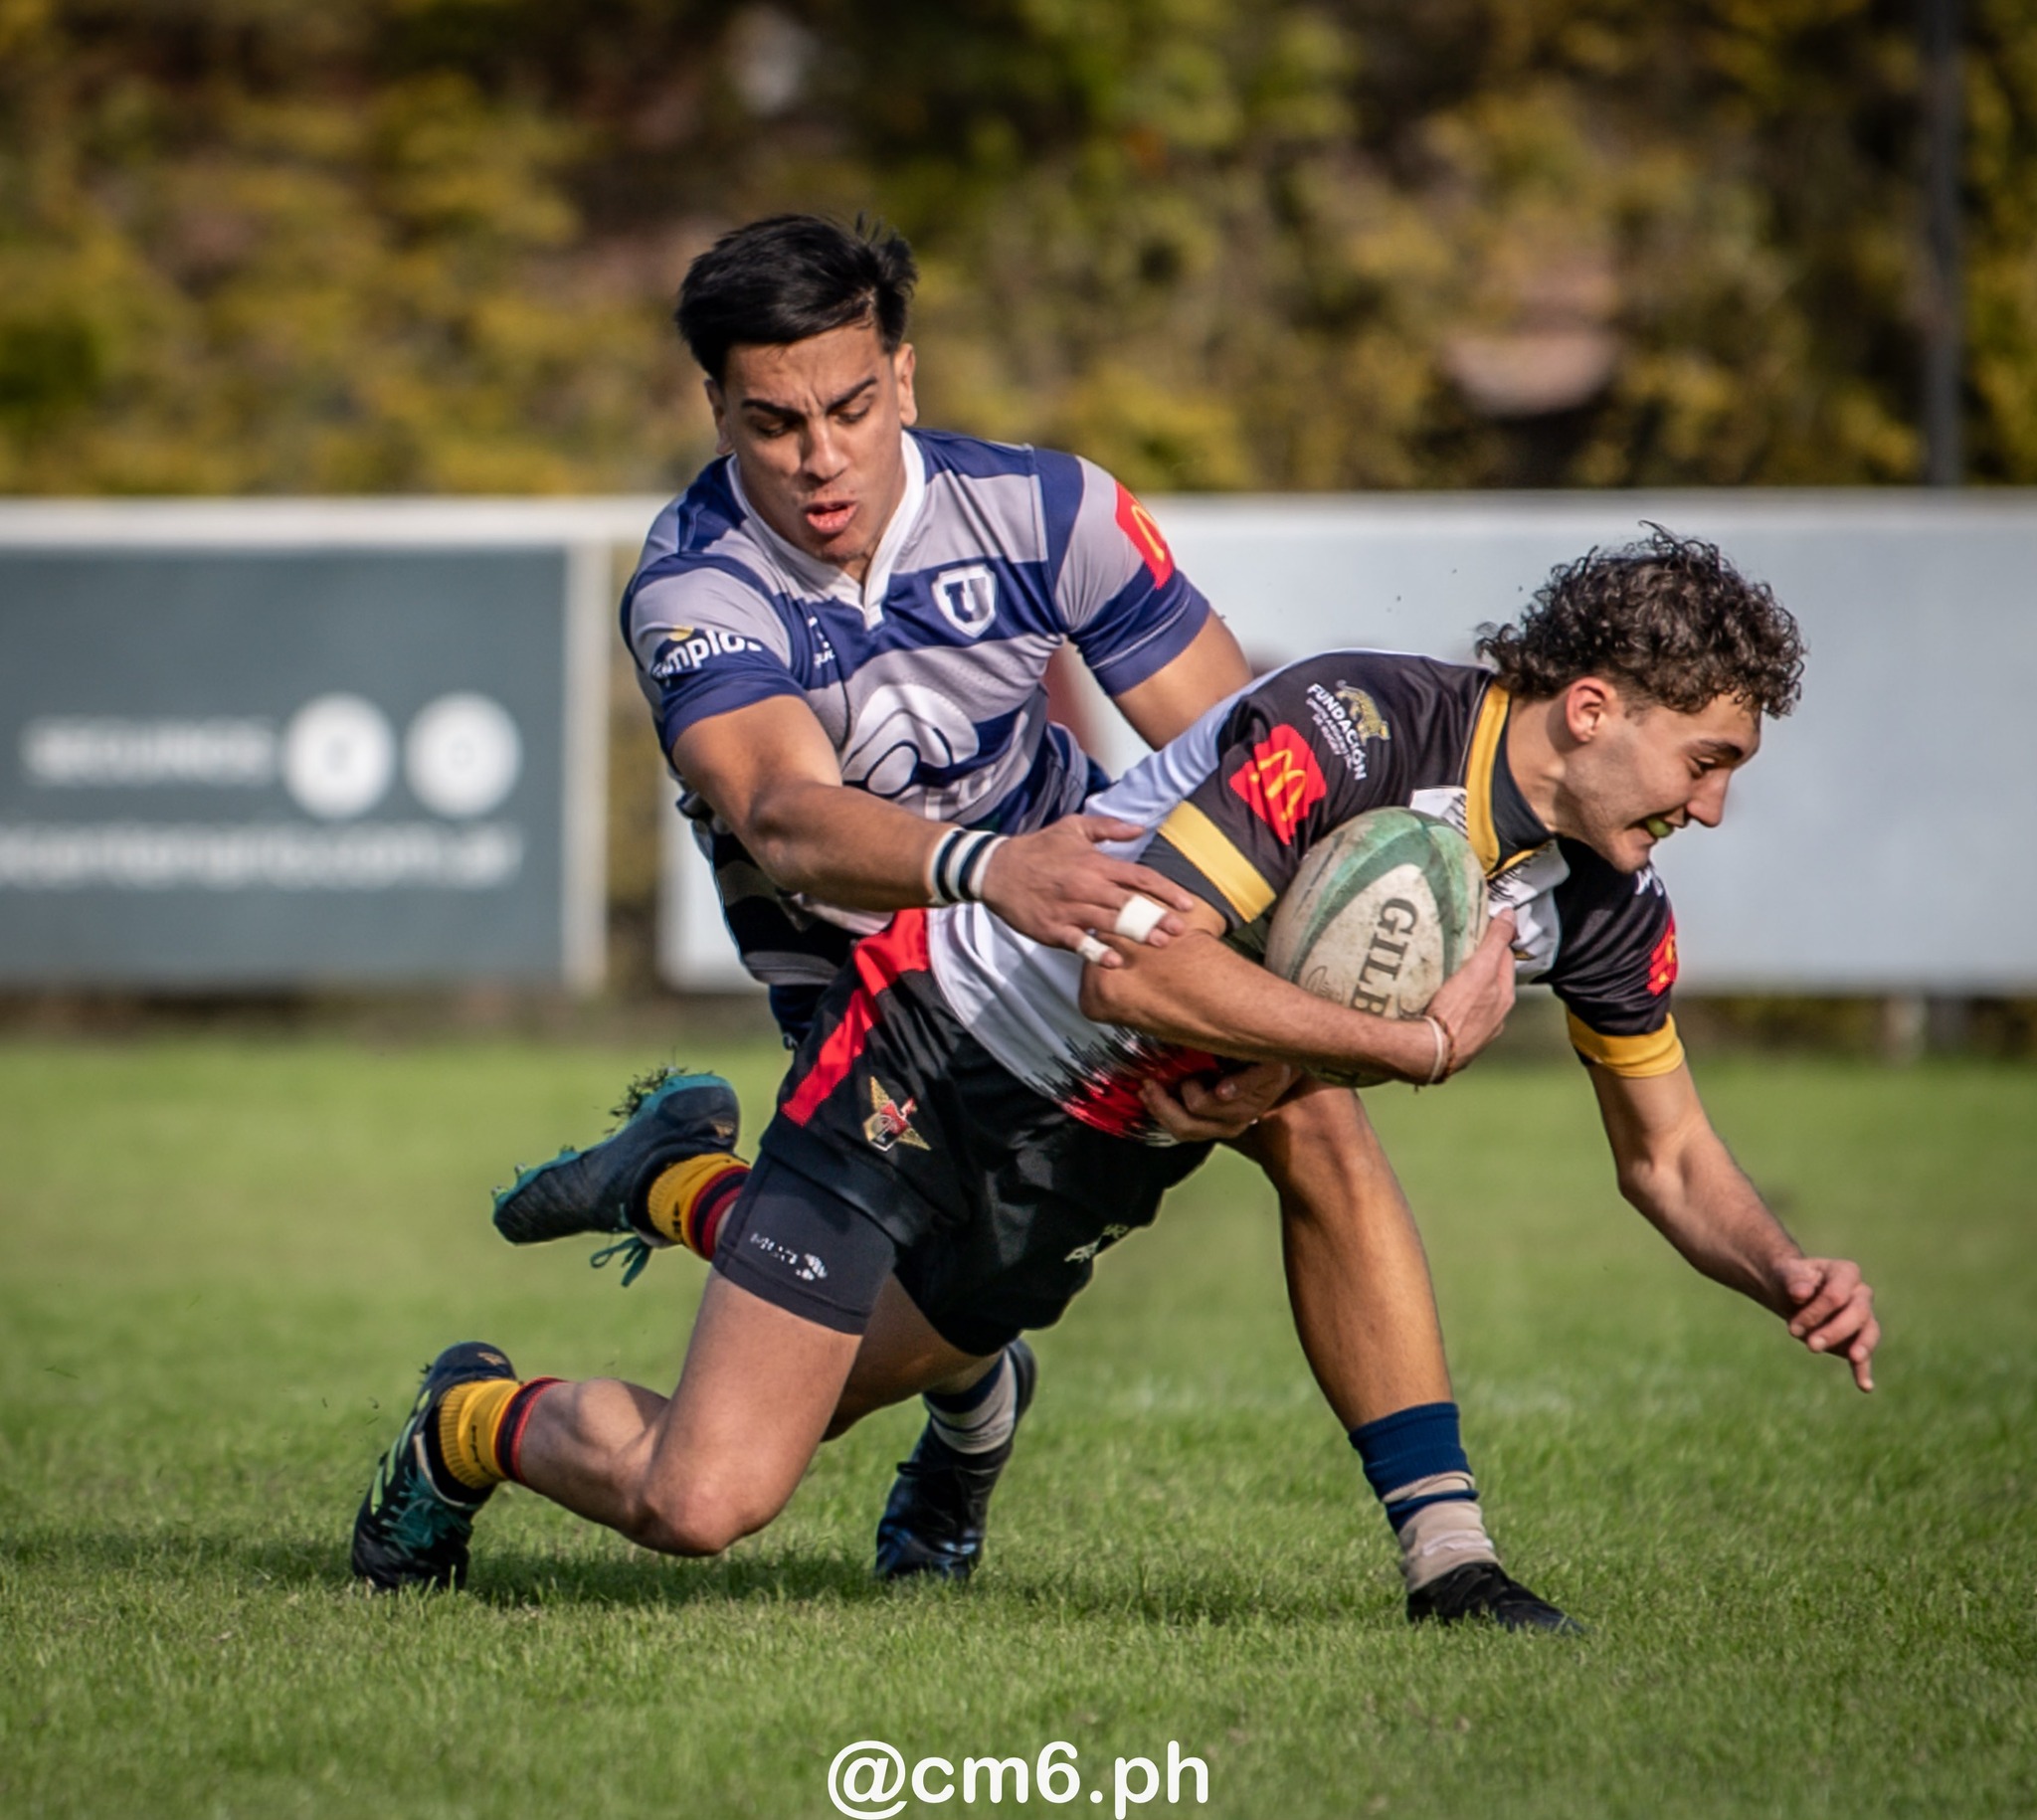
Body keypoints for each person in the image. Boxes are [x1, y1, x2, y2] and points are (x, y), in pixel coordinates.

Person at [353, 531, 1881, 1624]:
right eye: (1708, 759)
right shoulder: (1348, 728)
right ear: (1596, 707)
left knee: (1288, 1123)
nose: (1718, 806)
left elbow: (1670, 1159)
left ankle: (684, 1179)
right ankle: (467, 1422)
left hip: (1092, 1148)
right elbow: (1127, 965)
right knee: (704, 1501)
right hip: (931, 1055)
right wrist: (1390, 1045)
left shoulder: (1605, 900)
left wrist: (1786, 1267)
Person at [483, 213, 1559, 1625]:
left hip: (1069, 922)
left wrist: (1277, 1030)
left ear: (907, 379)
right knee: (833, 1394)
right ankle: (697, 1218)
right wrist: (993, 865)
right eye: (776, 421)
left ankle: (1451, 1560)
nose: (820, 457)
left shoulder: (1054, 511)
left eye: (853, 408)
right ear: (716, 410)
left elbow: (1246, 759)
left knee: (1313, 1117)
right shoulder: (694, 584)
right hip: (866, 993)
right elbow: (788, 819)